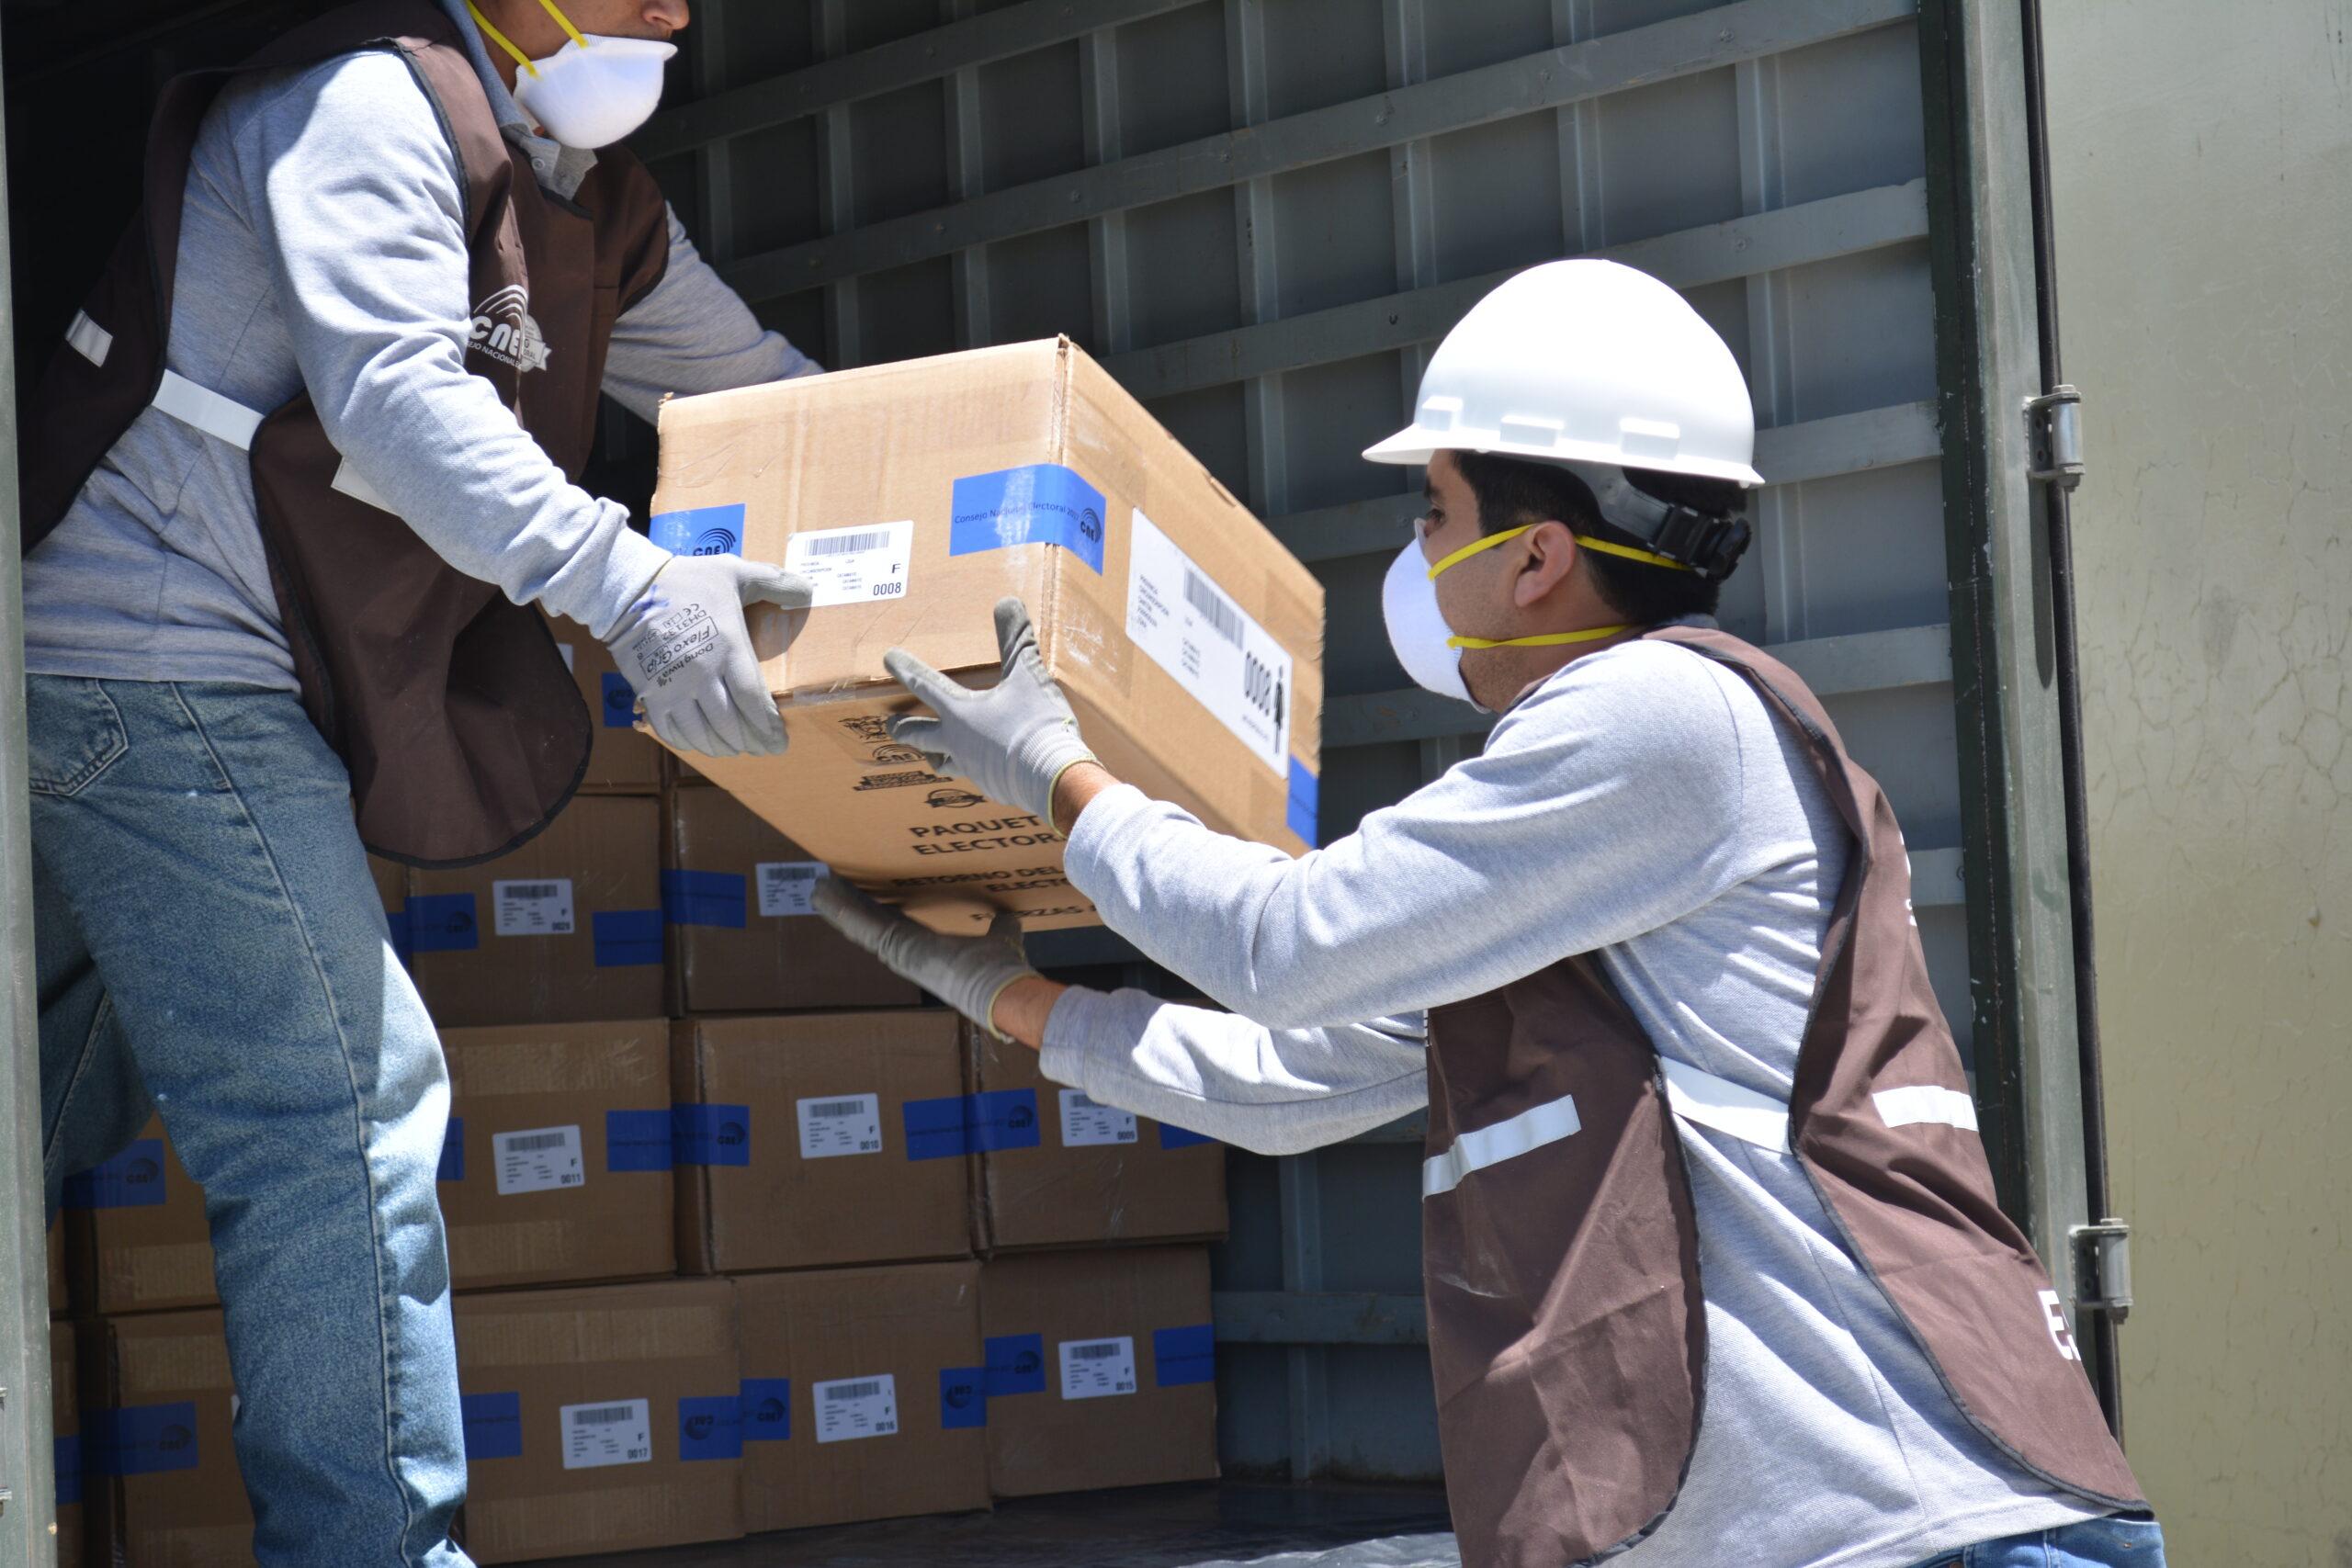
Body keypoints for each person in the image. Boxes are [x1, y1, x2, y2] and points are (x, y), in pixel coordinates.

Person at [815, 261, 2169, 1568]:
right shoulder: (1587, 832)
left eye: (1436, 512)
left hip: (1906, 1532)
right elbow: (1300, 1080)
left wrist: (1060, 774)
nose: (1415, 546)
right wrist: (1009, 995)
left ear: (1538, 562)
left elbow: (1290, 948)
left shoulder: (1660, 718)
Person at [19, 1, 809, 1560]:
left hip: (186, 683)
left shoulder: (582, 195)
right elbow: (399, 396)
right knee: (339, 1099)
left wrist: (965, 518)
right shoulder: (368, 106)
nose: (675, 13)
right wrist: (636, 586)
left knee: (49, 1098)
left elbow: (770, 398)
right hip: (157, 657)